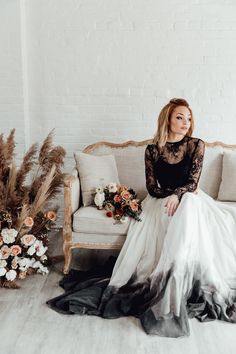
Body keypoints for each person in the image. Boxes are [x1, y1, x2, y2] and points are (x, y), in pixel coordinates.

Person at [47, 98, 236, 337]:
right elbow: (152, 186)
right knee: (176, 208)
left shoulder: (196, 145)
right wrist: (169, 196)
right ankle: (167, 280)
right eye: (180, 117)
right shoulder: (153, 149)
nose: (185, 123)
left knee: (188, 203)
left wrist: (177, 196)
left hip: (190, 199)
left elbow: (192, 182)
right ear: (167, 118)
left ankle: (176, 275)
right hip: (160, 201)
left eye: (188, 118)